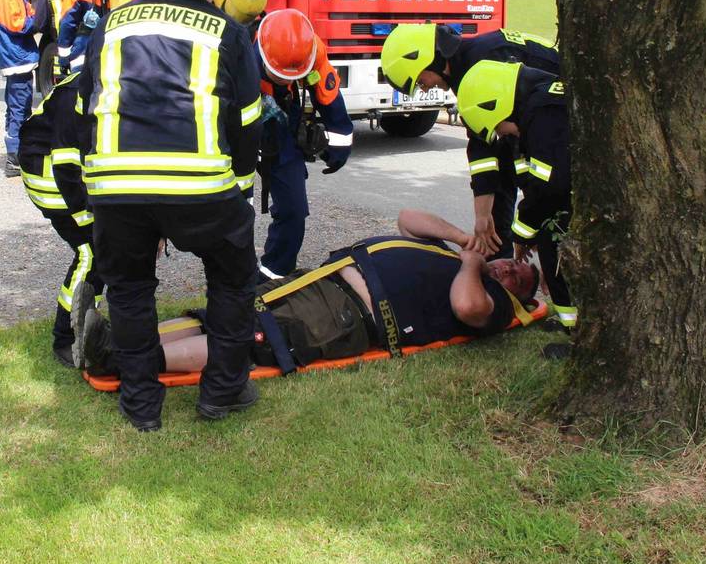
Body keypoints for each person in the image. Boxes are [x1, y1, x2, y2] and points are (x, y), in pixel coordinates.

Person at [80, 0, 262, 431]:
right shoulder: (226, 30)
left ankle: (141, 407)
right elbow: (246, 119)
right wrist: (242, 186)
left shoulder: (112, 23)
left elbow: (86, 104)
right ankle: (222, 393)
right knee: (232, 281)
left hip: (117, 185)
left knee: (130, 289)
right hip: (201, 185)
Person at [76, 207, 540, 376]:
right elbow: (407, 218)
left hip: (348, 316)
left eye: (520, 277)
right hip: (326, 279)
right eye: (512, 263)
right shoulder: (456, 257)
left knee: (254, 340)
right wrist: (464, 241)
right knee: (225, 314)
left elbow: (467, 307)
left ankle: (122, 360)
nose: (510, 270)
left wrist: (477, 266)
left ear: (519, 296)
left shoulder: (494, 301)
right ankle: (119, 338)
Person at [381, 23, 560, 260]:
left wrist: (527, 228)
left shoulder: (482, 63)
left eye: (421, 82)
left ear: (430, 60)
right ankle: (501, 269)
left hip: (556, 128)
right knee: (506, 181)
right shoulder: (468, 65)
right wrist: (483, 217)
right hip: (536, 127)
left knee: (546, 194)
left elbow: (525, 153)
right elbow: (482, 143)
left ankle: (538, 264)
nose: (424, 90)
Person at [457, 60, 574, 358]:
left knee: (559, 248)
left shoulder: (542, 114)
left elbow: (552, 186)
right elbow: (534, 180)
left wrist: (523, 232)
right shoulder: (532, 110)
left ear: (497, 106)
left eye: (497, 127)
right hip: (562, 203)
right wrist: (529, 230)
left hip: (569, 202)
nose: (503, 134)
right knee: (550, 246)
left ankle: (581, 338)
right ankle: (571, 324)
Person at [255, 9, 353, 280]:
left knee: (293, 210)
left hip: (280, 128)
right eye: (279, 75)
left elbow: (332, 105)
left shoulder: (312, 53)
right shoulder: (238, 48)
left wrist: (339, 149)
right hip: (237, 128)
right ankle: (228, 285)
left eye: (292, 75)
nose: (287, 80)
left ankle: (274, 274)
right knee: (232, 211)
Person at [17, 71, 102, 367]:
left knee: (109, 246)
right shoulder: (79, 89)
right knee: (91, 251)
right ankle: (65, 336)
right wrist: (85, 217)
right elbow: (66, 166)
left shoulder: (113, 81)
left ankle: (96, 320)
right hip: (49, 173)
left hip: (74, 172)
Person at [0, 0, 40, 177]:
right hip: (16, 59)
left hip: (21, 58)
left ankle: (18, 151)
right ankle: (13, 159)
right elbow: (18, 24)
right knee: (19, 106)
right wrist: (38, 20)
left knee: (20, 106)